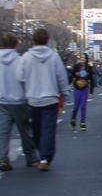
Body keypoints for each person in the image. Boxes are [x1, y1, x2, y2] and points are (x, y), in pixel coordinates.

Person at [18, 28, 68, 171]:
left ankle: (42, 152)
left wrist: (26, 90)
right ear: (47, 40)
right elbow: (61, 76)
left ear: (33, 40)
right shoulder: (53, 56)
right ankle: (45, 157)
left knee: (37, 129)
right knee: (48, 129)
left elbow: (20, 76)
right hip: (51, 98)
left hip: (33, 99)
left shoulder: (26, 57)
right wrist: (64, 92)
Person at [0, 34, 40, 170]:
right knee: (25, 131)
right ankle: (31, 157)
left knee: (3, 132)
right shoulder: (20, 60)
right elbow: (24, 79)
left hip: (1, 101)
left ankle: (3, 158)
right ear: (16, 44)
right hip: (19, 100)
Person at [69, 53, 95, 132]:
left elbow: (91, 80)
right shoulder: (76, 67)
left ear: (86, 59)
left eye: (84, 58)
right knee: (76, 106)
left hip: (84, 89)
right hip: (77, 89)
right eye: (81, 58)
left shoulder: (89, 68)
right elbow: (72, 76)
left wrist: (91, 92)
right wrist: (68, 84)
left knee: (83, 106)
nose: (82, 59)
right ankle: (73, 119)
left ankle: (82, 122)